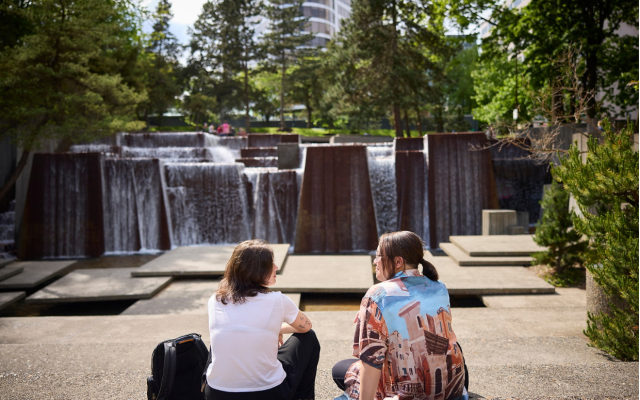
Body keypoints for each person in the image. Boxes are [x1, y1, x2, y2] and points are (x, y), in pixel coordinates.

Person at [333, 231, 468, 400]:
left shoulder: (377, 294)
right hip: (451, 390)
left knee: (339, 369)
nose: (375, 261)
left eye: (378, 256)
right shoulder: (439, 286)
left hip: (406, 394)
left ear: (398, 261)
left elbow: (371, 360)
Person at [205, 239, 321, 400]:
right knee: (309, 338)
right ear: (256, 270)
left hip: (217, 393)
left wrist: (276, 329)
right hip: (267, 393)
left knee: (224, 336)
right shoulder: (278, 300)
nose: (276, 267)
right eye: (270, 264)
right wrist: (280, 328)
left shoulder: (215, 299)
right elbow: (306, 326)